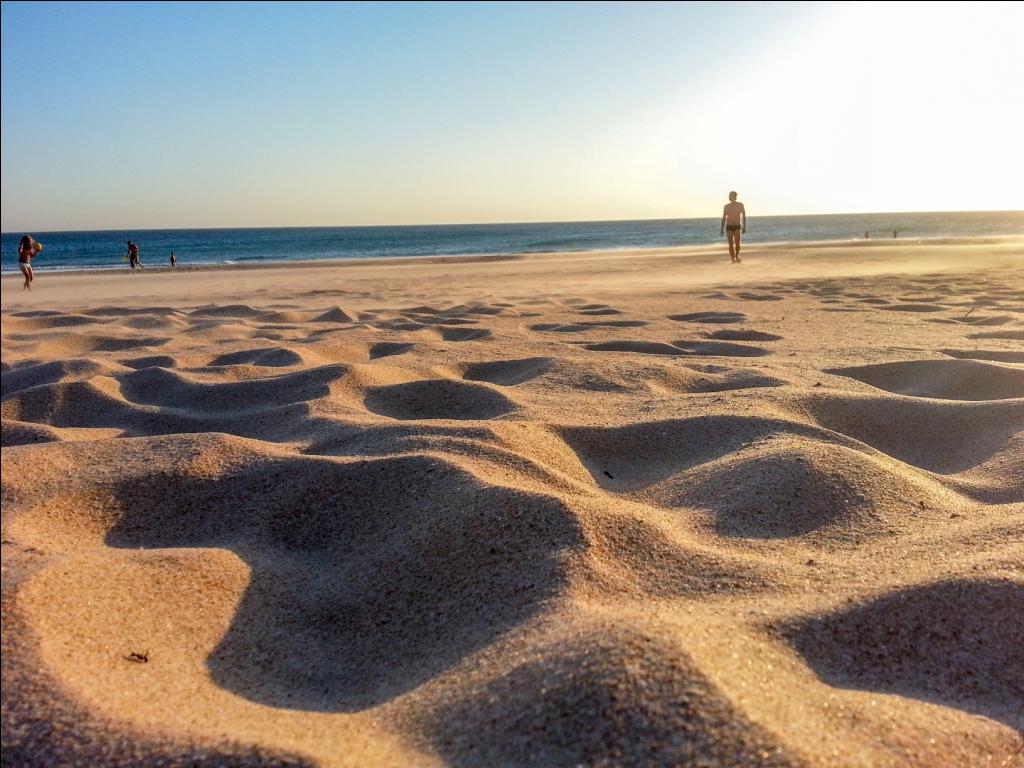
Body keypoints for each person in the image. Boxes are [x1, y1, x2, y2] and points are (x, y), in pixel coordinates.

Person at [720, 191, 746, 263]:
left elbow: (744, 216)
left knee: (737, 244)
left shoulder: (740, 205)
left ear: (735, 197)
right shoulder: (726, 206)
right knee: (730, 244)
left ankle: (737, 256)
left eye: (731, 196)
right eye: (729, 196)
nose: (730, 197)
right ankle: (732, 259)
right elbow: (724, 218)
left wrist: (744, 227)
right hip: (729, 226)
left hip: (737, 226)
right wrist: (721, 229)